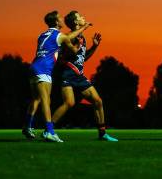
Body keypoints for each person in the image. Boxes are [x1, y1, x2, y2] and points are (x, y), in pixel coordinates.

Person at [22, 11, 90, 143]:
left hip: (33, 67)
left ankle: (27, 126)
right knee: (46, 100)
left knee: (36, 99)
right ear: (56, 22)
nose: (61, 20)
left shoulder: (42, 35)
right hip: (44, 70)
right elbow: (71, 45)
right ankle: (49, 131)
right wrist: (83, 29)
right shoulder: (59, 35)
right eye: (59, 18)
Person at [51, 11, 117, 141]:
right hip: (68, 74)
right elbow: (66, 38)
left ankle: (102, 134)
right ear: (76, 22)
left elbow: (83, 58)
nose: (83, 17)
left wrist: (94, 47)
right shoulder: (72, 36)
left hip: (79, 76)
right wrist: (84, 27)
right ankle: (48, 130)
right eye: (80, 16)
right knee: (69, 103)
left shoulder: (82, 38)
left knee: (97, 101)